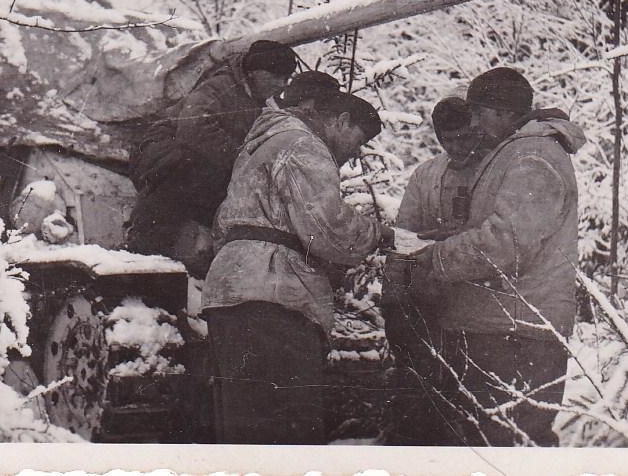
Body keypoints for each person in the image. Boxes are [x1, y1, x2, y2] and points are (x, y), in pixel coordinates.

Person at [202, 91, 393, 445]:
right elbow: (327, 228)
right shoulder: (305, 145)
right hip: (274, 295)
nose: (355, 153)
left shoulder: (261, 145)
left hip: (233, 290)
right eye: (358, 139)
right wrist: (375, 233)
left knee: (244, 428)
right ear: (341, 120)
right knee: (288, 428)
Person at [408, 67, 586, 447]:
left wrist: (439, 258)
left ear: (502, 112)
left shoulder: (533, 156)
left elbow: (506, 243)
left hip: (514, 333)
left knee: (501, 447)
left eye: (478, 112)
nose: (472, 123)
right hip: (506, 326)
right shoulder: (519, 152)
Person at [127, 40, 297, 274]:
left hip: (204, 156)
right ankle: (142, 247)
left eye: (286, 79)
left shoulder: (261, 100)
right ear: (255, 72)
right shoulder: (220, 86)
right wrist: (243, 161)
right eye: (275, 76)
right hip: (164, 147)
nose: (281, 85)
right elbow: (194, 128)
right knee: (184, 173)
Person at [381, 96, 481, 445]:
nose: (457, 147)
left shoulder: (493, 170)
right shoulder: (426, 174)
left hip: (474, 306)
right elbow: (405, 236)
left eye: (464, 138)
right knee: (420, 391)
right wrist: (393, 300)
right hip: (425, 300)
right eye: (448, 139)